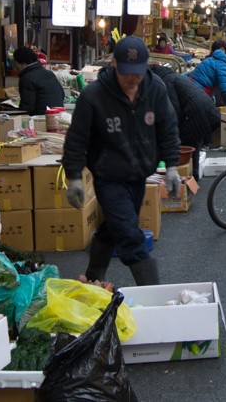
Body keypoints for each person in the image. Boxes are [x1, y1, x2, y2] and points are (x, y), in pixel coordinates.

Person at [62, 36, 181, 285]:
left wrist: (172, 167)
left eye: (137, 73)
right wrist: (73, 176)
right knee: (129, 234)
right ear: (114, 63)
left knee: (115, 226)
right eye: (126, 72)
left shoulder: (155, 89)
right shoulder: (93, 96)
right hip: (109, 176)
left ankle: (94, 274)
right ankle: (153, 294)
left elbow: (168, 128)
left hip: (139, 174)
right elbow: (77, 139)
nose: (132, 79)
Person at [150, 63, 220, 183]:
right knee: (194, 143)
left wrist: (171, 130)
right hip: (205, 110)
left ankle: (187, 178)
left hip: (196, 113)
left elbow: (173, 108)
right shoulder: (174, 77)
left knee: (186, 144)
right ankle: (193, 176)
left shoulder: (166, 81)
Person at [188, 40, 226, 114]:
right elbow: (225, 90)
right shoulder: (224, 66)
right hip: (200, 90)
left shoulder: (212, 58)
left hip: (191, 84)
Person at [13, 47, 65, 115]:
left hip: (40, 118)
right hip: (58, 116)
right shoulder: (49, 73)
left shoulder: (26, 78)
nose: (15, 67)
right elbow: (62, 94)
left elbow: (27, 108)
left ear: (22, 62)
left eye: (15, 63)